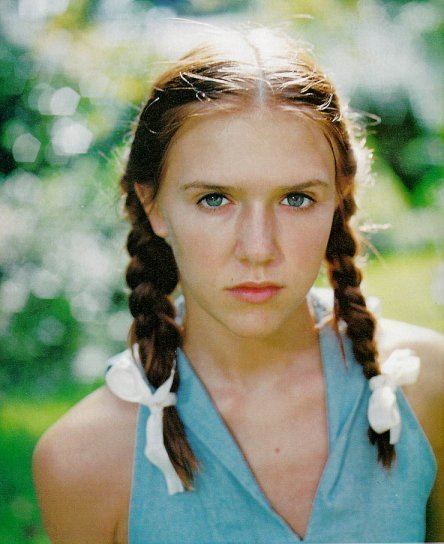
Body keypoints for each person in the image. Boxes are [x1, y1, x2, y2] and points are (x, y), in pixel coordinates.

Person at [32, 25, 444, 543]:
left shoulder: (427, 388)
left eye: (296, 198)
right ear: (153, 203)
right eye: (214, 199)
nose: (257, 248)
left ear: (338, 197)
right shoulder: (84, 461)